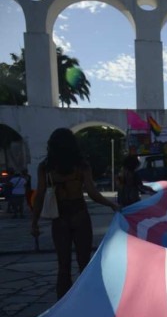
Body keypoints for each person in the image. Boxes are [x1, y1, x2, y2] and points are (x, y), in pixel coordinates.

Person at [31, 128, 119, 300]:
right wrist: (111, 204)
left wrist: (34, 222)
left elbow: (40, 195)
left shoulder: (46, 167)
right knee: (84, 262)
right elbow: (92, 192)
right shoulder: (81, 165)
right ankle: (87, 300)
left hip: (60, 217)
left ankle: (63, 304)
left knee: (63, 265)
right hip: (80, 214)